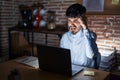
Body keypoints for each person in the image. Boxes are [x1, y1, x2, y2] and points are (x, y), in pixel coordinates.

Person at [60, 3, 101, 68]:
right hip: (70, 71)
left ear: (82, 20)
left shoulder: (90, 35)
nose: (71, 24)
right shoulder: (65, 37)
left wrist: (85, 28)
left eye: (75, 20)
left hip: (85, 72)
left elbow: (91, 55)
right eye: (69, 20)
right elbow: (62, 57)